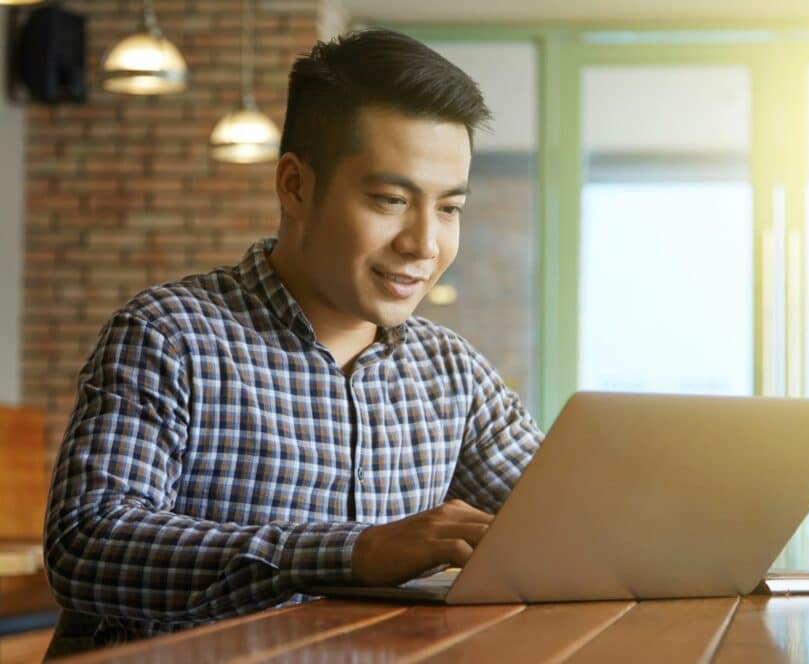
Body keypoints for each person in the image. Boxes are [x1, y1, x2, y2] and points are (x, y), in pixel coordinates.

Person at [42, 28, 543, 652]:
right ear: (295, 186)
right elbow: (87, 546)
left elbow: (562, 520)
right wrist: (354, 551)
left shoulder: (451, 370)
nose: (424, 244)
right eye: (390, 199)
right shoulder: (167, 335)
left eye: (448, 209)